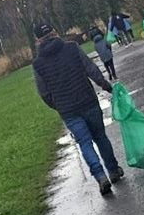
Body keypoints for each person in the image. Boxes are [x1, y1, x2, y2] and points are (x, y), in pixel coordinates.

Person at [32, 22, 124, 195]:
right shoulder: (72, 47)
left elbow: (44, 93)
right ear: (55, 32)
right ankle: (113, 170)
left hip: (68, 110)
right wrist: (106, 86)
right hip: (88, 100)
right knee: (100, 137)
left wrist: (58, 105)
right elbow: (91, 69)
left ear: (38, 40)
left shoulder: (38, 64)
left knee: (84, 143)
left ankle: (100, 176)